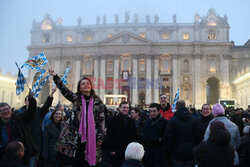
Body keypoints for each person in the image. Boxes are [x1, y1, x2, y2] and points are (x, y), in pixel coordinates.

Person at [49, 68, 106, 167]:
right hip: (76, 136)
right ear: (80, 88)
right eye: (83, 84)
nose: (86, 85)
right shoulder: (76, 98)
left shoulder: (97, 102)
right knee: (77, 160)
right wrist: (54, 76)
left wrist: (100, 137)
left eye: (88, 83)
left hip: (92, 136)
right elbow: (64, 89)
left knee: (88, 162)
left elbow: (101, 120)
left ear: (91, 87)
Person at [17, 87, 56, 167]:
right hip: (24, 143)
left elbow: (46, 106)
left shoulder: (38, 111)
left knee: (33, 163)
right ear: (25, 102)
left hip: (36, 143)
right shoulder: (19, 113)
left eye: (31, 99)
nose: (30, 101)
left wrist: (51, 94)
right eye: (28, 99)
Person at [0, 91, 38, 166]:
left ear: (10, 110)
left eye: (7, 109)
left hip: (23, 153)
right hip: (4, 155)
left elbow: (30, 114)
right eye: (2, 110)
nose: (6, 111)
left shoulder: (18, 118)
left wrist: (31, 100)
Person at [165, 100, 202, 167]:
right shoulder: (194, 120)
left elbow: (168, 138)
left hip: (176, 153)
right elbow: (198, 136)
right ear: (185, 106)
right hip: (190, 152)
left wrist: (170, 151)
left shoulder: (172, 121)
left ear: (176, 107)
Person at [105, 101, 137, 167]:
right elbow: (109, 135)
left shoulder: (131, 120)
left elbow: (134, 135)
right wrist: (111, 149)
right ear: (119, 108)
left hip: (128, 150)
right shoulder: (113, 120)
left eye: (127, 108)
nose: (126, 109)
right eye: (124, 107)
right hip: (116, 150)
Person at [142, 103, 168, 167]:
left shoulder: (165, 122)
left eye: (154, 111)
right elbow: (144, 134)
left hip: (159, 152)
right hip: (148, 152)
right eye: (151, 111)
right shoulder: (147, 122)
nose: (152, 113)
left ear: (159, 111)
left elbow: (166, 137)